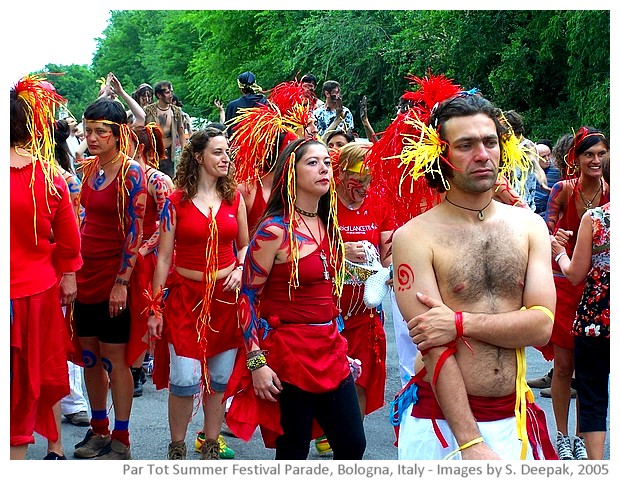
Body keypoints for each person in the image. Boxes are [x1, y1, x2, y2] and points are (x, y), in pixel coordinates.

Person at [391, 92, 557, 460]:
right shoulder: (414, 237)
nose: (482, 155)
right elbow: (433, 344)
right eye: (465, 145)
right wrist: (471, 442)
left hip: (514, 417)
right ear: (442, 156)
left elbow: (542, 325)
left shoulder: (529, 226)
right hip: (444, 426)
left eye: (490, 142)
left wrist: (460, 323)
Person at [224, 138, 367, 460]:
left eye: (327, 163)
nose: (324, 169)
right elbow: (246, 297)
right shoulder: (274, 231)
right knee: (293, 450)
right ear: (292, 172)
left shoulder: (327, 223)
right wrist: (256, 361)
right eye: (312, 163)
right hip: (290, 354)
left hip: (330, 348)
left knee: (352, 444)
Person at [147, 127, 249, 460]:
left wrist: (238, 268)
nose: (226, 157)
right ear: (198, 157)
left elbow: (246, 246)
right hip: (185, 298)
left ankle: (210, 443)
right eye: (218, 152)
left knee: (219, 379)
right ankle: (177, 446)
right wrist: (154, 308)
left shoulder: (235, 198)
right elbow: (163, 257)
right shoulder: (176, 201)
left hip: (225, 298)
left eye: (227, 151)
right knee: (185, 377)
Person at [10, 75, 83, 460]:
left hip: (29, 290)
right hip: (38, 292)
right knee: (45, 370)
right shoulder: (50, 175)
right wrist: (68, 272)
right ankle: (53, 446)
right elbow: (70, 240)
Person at [72, 97, 147, 460]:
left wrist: (122, 280)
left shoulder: (133, 172)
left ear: (118, 134)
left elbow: (136, 229)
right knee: (89, 356)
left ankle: (122, 437)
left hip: (113, 277)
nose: (92, 137)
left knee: (114, 358)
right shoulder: (89, 170)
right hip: (84, 275)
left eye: (101, 131)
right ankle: (98, 428)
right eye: (88, 131)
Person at [544, 126, 609, 460]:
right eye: (589, 154)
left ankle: (584, 436)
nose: (595, 160)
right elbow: (547, 231)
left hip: (597, 291)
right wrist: (560, 239)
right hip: (564, 285)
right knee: (563, 366)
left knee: (589, 371)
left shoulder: (610, 194)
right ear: (577, 159)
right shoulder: (562, 190)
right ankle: (561, 434)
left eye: (600, 154)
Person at [333, 142, 394, 419]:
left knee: (359, 379)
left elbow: (389, 253)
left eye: (370, 181)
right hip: (328, 309)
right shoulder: (324, 201)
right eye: (358, 181)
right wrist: (340, 250)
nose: (364, 189)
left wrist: (389, 270)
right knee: (329, 380)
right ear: (342, 174)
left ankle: (350, 443)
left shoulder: (379, 202)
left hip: (364, 311)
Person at [127, 123, 174, 397]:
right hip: (131, 252)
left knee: (146, 310)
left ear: (140, 147)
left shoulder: (157, 179)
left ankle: (138, 368)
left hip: (149, 255)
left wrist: (143, 250)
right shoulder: (125, 174)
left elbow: (166, 224)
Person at [144, 80, 186, 178]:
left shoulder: (176, 111)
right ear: (159, 95)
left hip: (168, 155)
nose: (171, 95)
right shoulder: (148, 110)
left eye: (171, 92)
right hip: (152, 154)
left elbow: (181, 133)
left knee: (168, 181)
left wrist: (184, 151)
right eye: (167, 92)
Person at [533, 139, 561, 218]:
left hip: (549, 212)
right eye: (543, 156)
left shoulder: (557, 171)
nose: (547, 159)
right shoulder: (528, 173)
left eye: (549, 155)